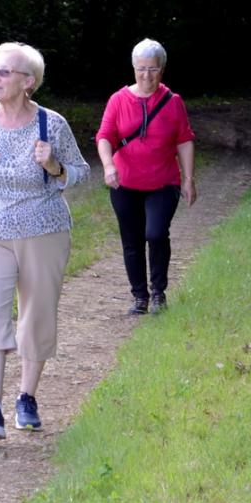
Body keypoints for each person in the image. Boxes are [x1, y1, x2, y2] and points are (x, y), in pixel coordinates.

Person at [0, 42, 90, 439]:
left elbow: (79, 172)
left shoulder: (52, 124)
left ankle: (26, 397)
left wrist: (54, 165)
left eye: (4, 72)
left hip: (43, 229)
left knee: (36, 313)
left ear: (28, 82)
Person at [95, 38, 196, 316]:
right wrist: (107, 166)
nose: (146, 75)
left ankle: (158, 293)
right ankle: (139, 296)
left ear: (162, 69)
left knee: (155, 233)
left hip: (163, 182)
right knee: (132, 239)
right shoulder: (118, 100)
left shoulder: (173, 102)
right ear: (133, 68)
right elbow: (105, 136)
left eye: (152, 69)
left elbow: (184, 140)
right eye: (141, 69)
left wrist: (188, 179)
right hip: (124, 183)